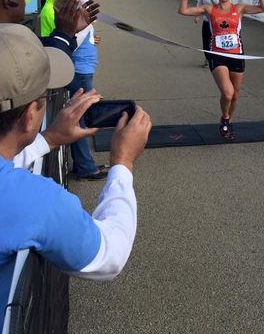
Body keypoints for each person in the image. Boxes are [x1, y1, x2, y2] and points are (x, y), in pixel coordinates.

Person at [0, 23, 152, 329]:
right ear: (31, 116)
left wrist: (49, 139)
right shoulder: (32, 201)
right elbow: (109, 254)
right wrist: (123, 163)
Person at [179, 0, 264, 140]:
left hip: (237, 55)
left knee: (235, 95)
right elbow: (183, 10)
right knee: (227, 93)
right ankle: (225, 118)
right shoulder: (209, 9)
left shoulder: (239, 8)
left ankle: (227, 119)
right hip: (217, 56)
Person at [55, 0, 104, 180]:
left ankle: (82, 163)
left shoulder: (74, 9)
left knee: (78, 117)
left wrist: (92, 40)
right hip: (80, 71)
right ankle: (85, 166)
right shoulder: (79, 9)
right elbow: (72, 41)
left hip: (82, 69)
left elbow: (79, 36)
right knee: (80, 120)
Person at [0, 0, 99, 57]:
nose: (25, 1)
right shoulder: (12, 41)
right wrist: (65, 34)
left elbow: (46, 46)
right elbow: (53, 63)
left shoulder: (13, 36)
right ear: (8, 0)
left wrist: (67, 34)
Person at [194, 0, 218, 67]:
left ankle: (218, 59)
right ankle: (208, 59)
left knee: (218, 41)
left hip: (218, 21)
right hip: (207, 21)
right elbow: (199, 4)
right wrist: (197, 15)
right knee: (206, 42)